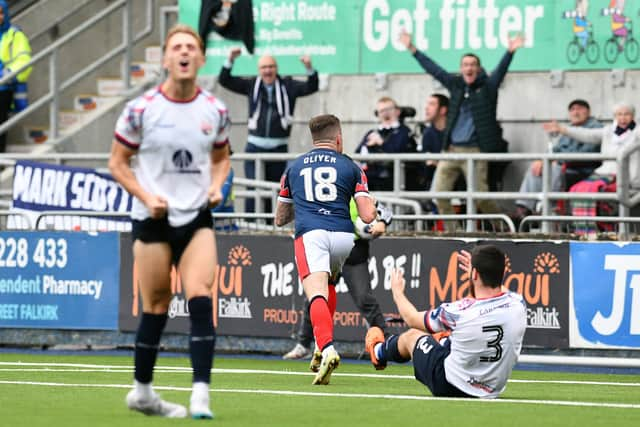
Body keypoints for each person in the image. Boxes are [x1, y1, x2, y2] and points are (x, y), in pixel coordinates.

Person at [109, 24, 231, 419]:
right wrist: (146, 197)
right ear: (165, 59)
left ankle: (201, 395)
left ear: (200, 59)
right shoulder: (141, 110)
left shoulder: (215, 110)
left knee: (200, 294)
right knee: (157, 303)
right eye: (176, 47)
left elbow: (222, 158)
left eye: (190, 47)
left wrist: (216, 186)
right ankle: (142, 392)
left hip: (196, 215)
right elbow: (117, 163)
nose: (183, 52)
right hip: (152, 218)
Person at [275, 114, 377, 385]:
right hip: (344, 237)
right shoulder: (352, 167)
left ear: (313, 139)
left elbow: (280, 218)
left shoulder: (294, 168)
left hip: (311, 234)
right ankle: (321, 346)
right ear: (339, 139)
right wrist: (373, 205)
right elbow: (368, 217)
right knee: (330, 283)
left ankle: (327, 347)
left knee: (315, 292)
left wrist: (303, 201)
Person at [399, 30, 523, 230]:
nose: (469, 68)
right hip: (452, 150)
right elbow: (435, 70)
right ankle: (454, 232)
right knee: (439, 195)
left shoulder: (487, 88)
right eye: (465, 65)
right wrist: (412, 49)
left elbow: (500, 72)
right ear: (461, 68)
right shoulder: (456, 86)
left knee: (481, 197)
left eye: (473, 65)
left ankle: (504, 226)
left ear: (479, 68)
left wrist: (510, 52)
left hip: (476, 151)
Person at [365, 245, 526, 398]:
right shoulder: (518, 304)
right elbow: (499, 288)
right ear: (503, 273)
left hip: (448, 384)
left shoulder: (458, 312)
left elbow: (412, 319)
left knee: (413, 336)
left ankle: (379, 351)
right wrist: (482, 269)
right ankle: (442, 342)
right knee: (446, 335)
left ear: (475, 274)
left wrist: (397, 292)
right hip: (492, 389)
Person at [283, 199, 393, 367]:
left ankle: (387, 343)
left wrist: (382, 224)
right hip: (329, 250)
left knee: (365, 299)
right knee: (316, 297)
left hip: (354, 254)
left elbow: (385, 211)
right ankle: (304, 344)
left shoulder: (360, 195)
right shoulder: (324, 194)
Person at [219, 48, 319, 213]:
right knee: (253, 188)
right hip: (254, 147)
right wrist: (230, 59)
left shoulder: (288, 86)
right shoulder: (252, 85)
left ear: (276, 69)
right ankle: (251, 225)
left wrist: (309, 67)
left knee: (274, 190)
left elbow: (311, 86)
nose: (267, 70)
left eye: (271, 67)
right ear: (259, 70)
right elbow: (225, 80)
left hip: (278, 148)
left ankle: (270, 225)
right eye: (264, 67)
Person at [544, 102, 639, 232]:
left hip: (628, 177)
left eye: (626, 114)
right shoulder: (609, 131)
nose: (623, 118)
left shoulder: (637, 132)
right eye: (619, 114)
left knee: (593, 190)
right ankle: (584, 230)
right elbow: (587, 134)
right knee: (577, 189)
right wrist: (563, 129)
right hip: (605, 173)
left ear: (633, 116)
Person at [514, 99, 602, 219]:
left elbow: (587, 152)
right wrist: (541, 160)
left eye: (580, 109)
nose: (576, 112)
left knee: (554, 168)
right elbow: (555, 149)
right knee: (536, 168)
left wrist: (558, 160)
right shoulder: (568, 129)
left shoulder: (596, 127)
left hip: (583, 170)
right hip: (564, 168)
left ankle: (549, 208)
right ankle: (524, 209)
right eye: (572, 110)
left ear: (588, 112)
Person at [355, 96, 413, 191]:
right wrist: (368, 146)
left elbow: (398, 152)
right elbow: (358, 154)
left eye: (388, 109)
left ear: (397, 111)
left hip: (393, 179)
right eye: (381, 111)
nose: (385, 113)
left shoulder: (404, 132)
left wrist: (381, 142)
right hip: (371, 178)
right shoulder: (372, 132)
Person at [0, 1, 32, 153]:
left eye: (0, 13)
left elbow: (24, 61)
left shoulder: (15, 35)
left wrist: (5, 74)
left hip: (4, 88)